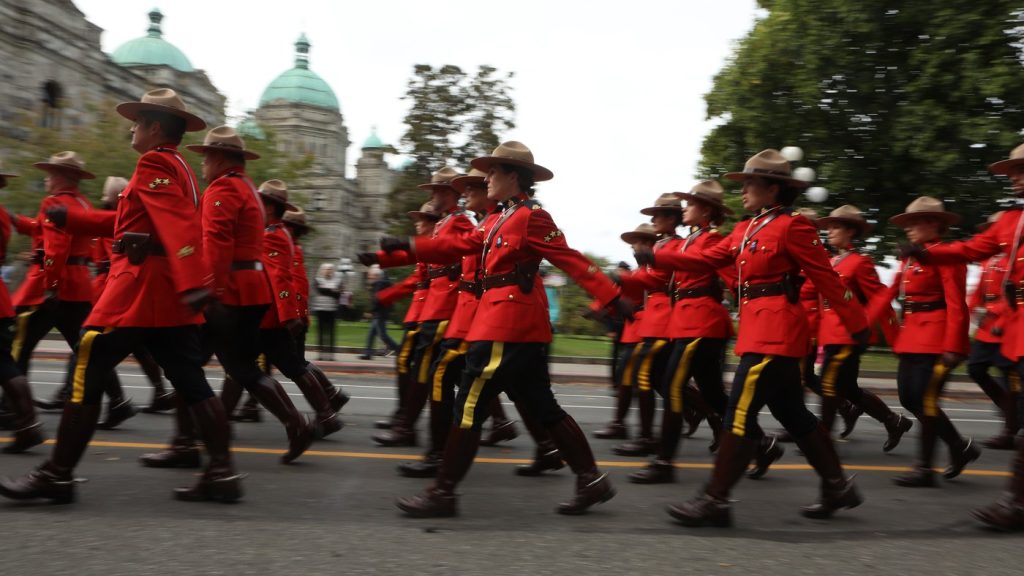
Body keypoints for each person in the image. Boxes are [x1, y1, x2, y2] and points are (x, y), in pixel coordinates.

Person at [0, 88, 243, 503]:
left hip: (141, 290)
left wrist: (194, 284)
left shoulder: (154, 163)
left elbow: (180, 225)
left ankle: (57, 474)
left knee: (87, 362)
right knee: (191, 382)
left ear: (152, 127)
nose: (131, 129)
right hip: (163, 294)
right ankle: (221, 472)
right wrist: (75, 220)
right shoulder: (177, 166)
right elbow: (128, 223)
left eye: (137, 122)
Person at [385, 141, 629, 517]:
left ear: (513, 176)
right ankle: (591, 480)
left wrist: (613, 297)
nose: (487, 180)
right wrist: (407, 246)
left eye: (493, 173)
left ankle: (443, 492)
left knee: (468, 404)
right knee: (543, 407)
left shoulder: (532, 216)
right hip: (506, 326)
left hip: (507, 326)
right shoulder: (497, 218)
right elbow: (458, 245)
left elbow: (571, 259)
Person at [642, 149, 869, 527]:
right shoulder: (745, 228)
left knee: (739, 412)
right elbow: (705, 260)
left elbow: (825, 278)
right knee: (792, 413)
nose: (743, 190)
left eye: (750, 183)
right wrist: (657, 258)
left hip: (778, 332)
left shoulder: (794, 226)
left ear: (773, 189)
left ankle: (716, 498)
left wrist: (856, 324)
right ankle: (837, 485)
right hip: (756, 329)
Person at [138, 125, 314, 468]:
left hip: (229, 291)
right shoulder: (246, 186)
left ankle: (186, 443)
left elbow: (216, 243)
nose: (203, 165)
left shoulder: (222, 190)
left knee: (186, 365)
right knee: (241, 367)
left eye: (206, 158)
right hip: (250, 288)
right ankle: (296, 424)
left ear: (219, 158)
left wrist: (208, 291)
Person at [900, 144, 1024, 529]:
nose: (1013, 177)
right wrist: (927, 256)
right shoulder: (1009, 220)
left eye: (1021, 170)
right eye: (1012, 171)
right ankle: (1014, 502)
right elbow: (972, 249)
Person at [10, 153, 137, 427]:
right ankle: (117, 401)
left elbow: (55, 247)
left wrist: (50, 286)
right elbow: (43, 228)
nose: (47, 177)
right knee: (87, 349)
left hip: (48, 286)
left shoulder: (53, 203)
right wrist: (18, 221)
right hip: (78, 286)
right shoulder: (82, 203)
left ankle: (13, 411)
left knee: (18, 348)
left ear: (62, 177)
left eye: (51, 173)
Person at [630, 180, 734, 483]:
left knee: (672, 385)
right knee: (714, 394)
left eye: (689, 205)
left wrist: (656, 257)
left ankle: (664, 461)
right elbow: (663, 281)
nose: (684, 210)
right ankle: (760, 444)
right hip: (687, 321)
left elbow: (702, 264)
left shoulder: (712, 239)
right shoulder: (689, 241)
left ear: (706, 211)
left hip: (702, 321)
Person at [869, 196, 977, 488]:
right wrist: (861, 321)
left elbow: (957, 305)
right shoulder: (909, 257)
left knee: (925, 400)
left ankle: (924, 468)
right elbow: (888, 293)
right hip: (912, 336)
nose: (908, 229)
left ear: (934, 224)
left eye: (914, 222)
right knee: (908, 398)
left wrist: (954, 346)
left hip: (937, 338)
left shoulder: (948, 256)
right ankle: (960, 447)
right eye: (907, 223)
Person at [372, 167, 475, 448]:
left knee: (430, 370)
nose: (433, 195)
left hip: (446, 303)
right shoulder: (445, 222)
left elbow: (461, 252)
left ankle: (411, 429)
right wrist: (380, 258)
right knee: (427, 369)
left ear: (454, 193)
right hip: (434, 304)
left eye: (439, 190)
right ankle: (409, 425)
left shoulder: (461, 221)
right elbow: (425, 255)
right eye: (433, 190)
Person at [813, 205, 912, 451]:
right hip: (831, 333)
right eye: (829, 227)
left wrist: (871, 327)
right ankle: (893, 421)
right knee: (847, 389)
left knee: (827, 384)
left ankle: (821, 440)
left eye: (835, 227)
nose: (829, 232)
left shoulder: (860, 263)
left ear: (850, 232)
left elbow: (879, 298)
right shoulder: (832, 261)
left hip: (847, 336)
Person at [593, 224, 655, 441]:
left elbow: (633, 285)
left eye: (636, 244)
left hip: (650, 328)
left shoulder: (650, 269)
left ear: (647, 243)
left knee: (651, 380)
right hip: (635, 327)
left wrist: (614, 278)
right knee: (628, 375)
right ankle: (620, 424)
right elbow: (621, 295)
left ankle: (710, 416)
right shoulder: (639, 271)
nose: (633, 249)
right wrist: (599, 309)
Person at [963, 212, 1019, 450]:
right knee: (976, 368)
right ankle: (1010, 411)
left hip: (1009, 325)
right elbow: (977, 293)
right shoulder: (987, 262)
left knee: (1011, 378)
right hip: (987, 327)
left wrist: (994, 310)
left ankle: (1009, 429)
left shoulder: (1015, 260)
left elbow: (1015, 296)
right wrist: (970, 311)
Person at [0, 160, 45, 453]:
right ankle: (26, 423)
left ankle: (27, 423)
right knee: (5, 363)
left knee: (5, 363)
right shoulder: (3, 215)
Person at [361, 265, 400, 358]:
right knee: (371, 333)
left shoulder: (379, 284)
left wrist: (371, 311)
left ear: (377, 276)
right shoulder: (382, 283)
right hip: (381, 312)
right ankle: (367, 353)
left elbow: (377, 300)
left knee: (383, 336)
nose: (369, 277)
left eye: (371, 275)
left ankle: (400, 350)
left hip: (380, 313)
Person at [311, 263, 341, 360]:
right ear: (322, 270)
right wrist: (332, 291)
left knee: (331, 333)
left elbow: (339, 294)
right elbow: (320, 290)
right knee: (321, 332)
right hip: (320, 309)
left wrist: (327, 290)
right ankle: (321, 354)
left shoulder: (337, 281)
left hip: (332, 309)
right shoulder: (317, 280)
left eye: (330, 269)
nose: (328, 271)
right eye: (326, 269)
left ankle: (331, 355)